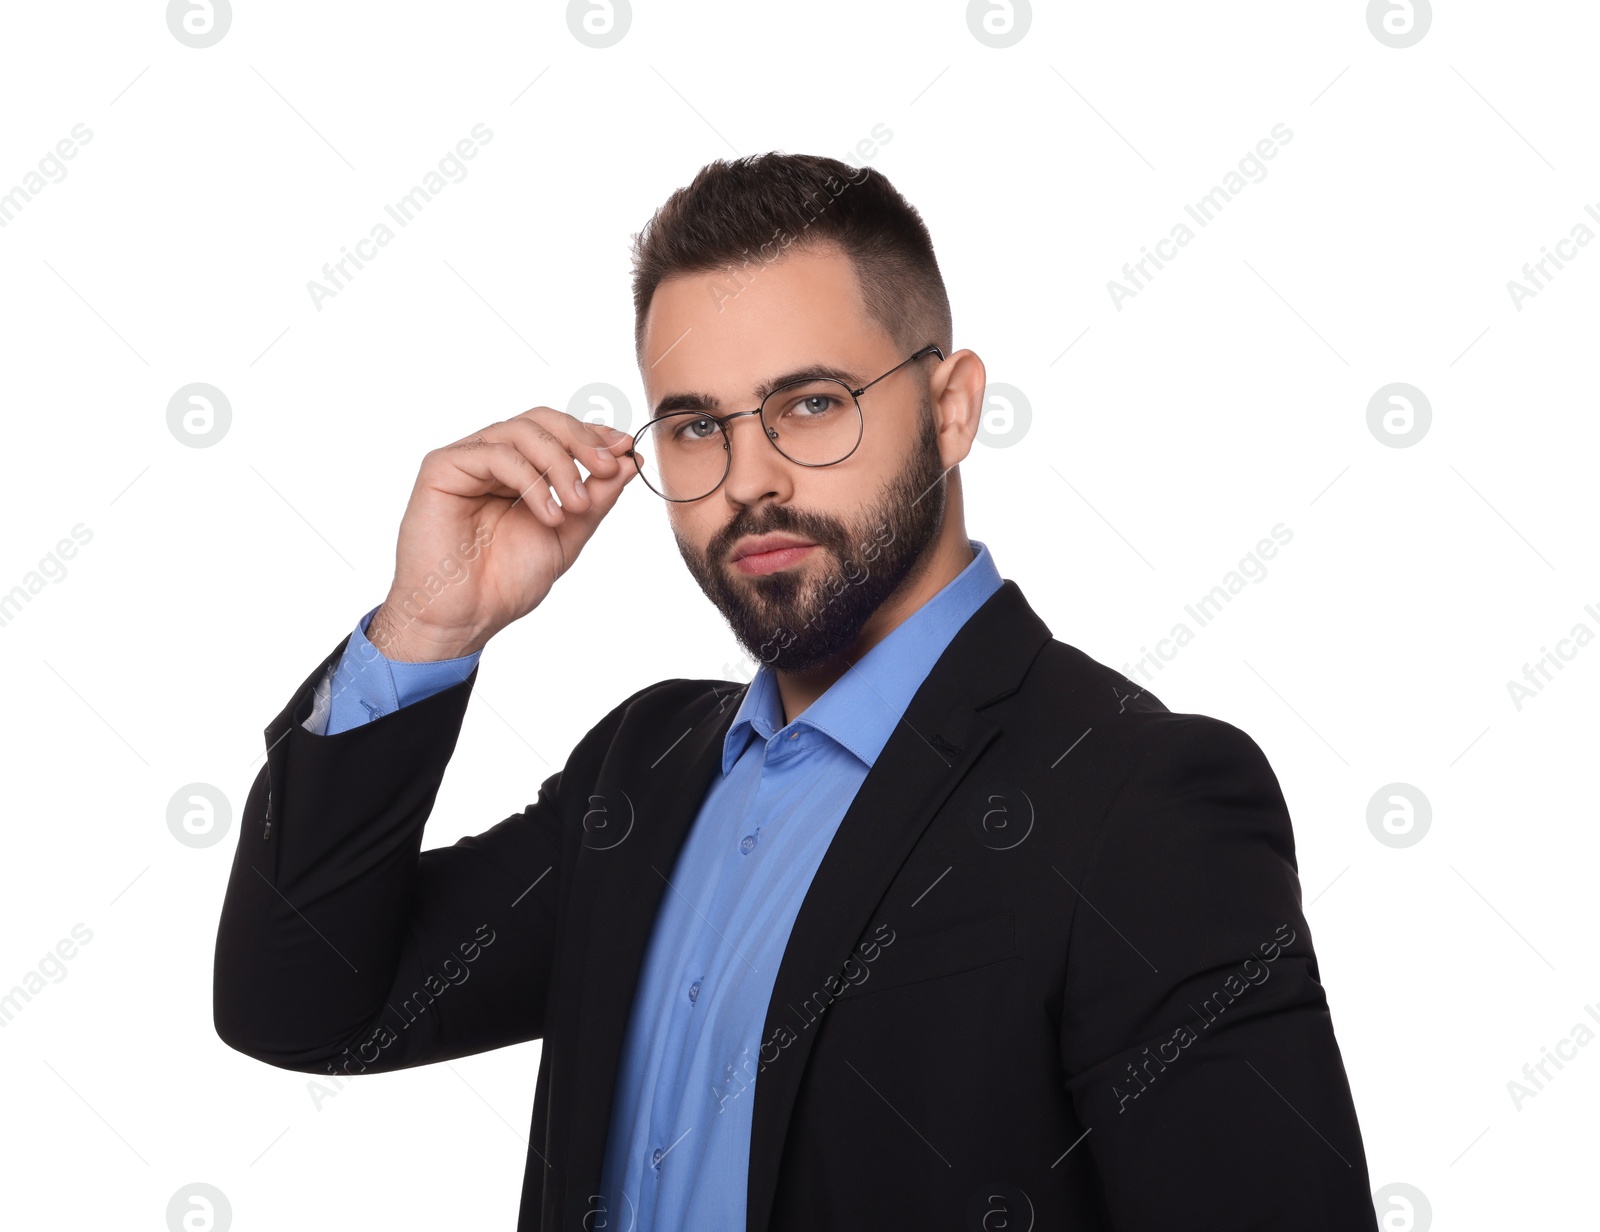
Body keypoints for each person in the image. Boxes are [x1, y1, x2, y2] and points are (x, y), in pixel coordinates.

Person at [213, 152, 1378, 1231]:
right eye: (694, 424)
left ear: (952, 405)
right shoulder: (644, 771)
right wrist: (429, 626)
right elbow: (306, 1003)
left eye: (811, 403)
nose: (750, 480)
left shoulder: (1140, 800)